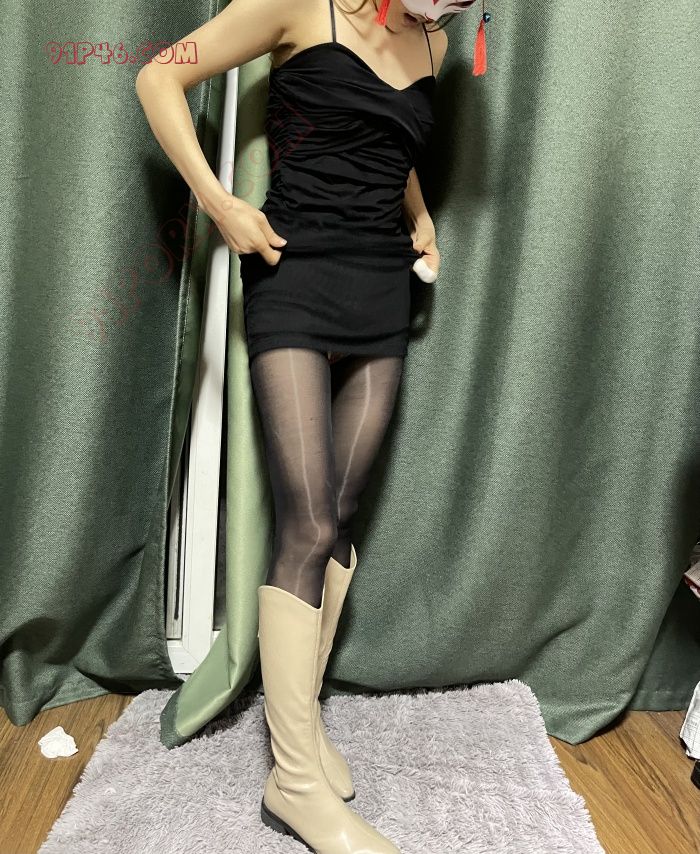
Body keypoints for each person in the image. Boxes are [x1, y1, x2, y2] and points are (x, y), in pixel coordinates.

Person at [136, 0, 479, 849]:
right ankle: (293, 784)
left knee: (344, 512)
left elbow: (389, 139)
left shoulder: (434, 37)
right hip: (292, 273)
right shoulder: (297, 3)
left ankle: (305, 726)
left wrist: (420, 213)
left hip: (381, 281)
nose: (457, 2)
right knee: (310, 519)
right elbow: (157, 78)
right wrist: (220, 204)